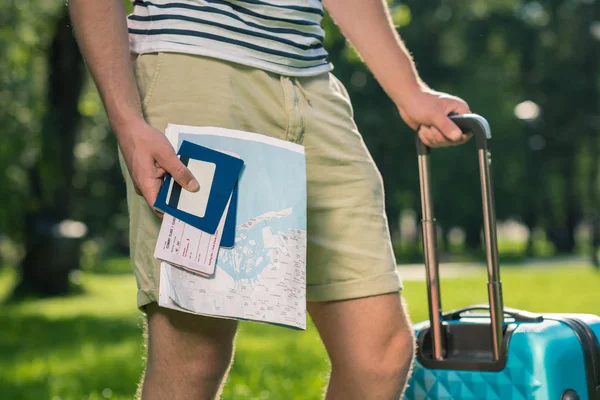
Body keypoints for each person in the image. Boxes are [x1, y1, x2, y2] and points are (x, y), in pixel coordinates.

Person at [68, 0, 471, 399]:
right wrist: (127, 122)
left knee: (380, 355)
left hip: (312, 84)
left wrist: (410, 92)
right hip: (194, 65)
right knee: (194, 356)